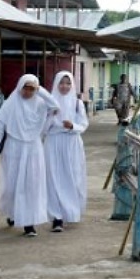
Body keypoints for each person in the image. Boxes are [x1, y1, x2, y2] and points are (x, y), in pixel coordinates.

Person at [0, 74, 59, 237]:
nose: (28, 92)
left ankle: (29, 223)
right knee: (13, 185)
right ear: (19, 86)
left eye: (31, 89)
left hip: (33, 148)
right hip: (14, 147)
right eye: (25, 87)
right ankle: (14, 213)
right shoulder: (10, 104)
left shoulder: (41, 103)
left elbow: (55, 105)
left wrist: (39, 89)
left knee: (31, 185)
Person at [44, 71, 88, 233]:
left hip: (72, 144)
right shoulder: (49, 103)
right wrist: (50, 116)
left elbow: (83, 125)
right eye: (61, 83)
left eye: (68, 83)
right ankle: (57, 217)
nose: (64, 86)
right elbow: (42, 129)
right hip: (53, 143)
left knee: (72, 177)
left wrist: (72, 126)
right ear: (56, 84)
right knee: (54, 179)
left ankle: (71, 212)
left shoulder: (77, 103)